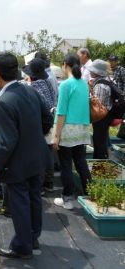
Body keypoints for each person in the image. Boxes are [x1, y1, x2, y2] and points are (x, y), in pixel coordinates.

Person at [0, 53, 53, 259]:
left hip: (18, 162)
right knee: (34, 198)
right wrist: (32, 137)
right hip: (38, 156)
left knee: (20, 203)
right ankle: (32, 238)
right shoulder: (29, 90)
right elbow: (47, 118)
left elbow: (7, 142)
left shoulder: (5, 100)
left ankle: (22, 246)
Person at [53, 53, 92, 210]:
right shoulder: (84, 83)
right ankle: (90, 194)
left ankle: (67, 199)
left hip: (68, 130)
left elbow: (61, 112)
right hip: (83, 129)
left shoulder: (65, 85)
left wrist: (56, 136)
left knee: (66, 165)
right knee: (81, 163)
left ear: (64, 65)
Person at [22, 58, 56, 193]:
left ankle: (40, 187)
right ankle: (49, 183)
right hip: (49, 122)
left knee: (39, 157)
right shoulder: (47, 83)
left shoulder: (33, 88)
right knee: (48, 155)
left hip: (40, 125)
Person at [88, 59, 112, 159]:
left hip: (101, 117)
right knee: (101, 139)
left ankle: (99, 164)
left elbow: (97, 105)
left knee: (99, 142)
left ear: (97, 72)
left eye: (92, 70)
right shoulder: (106, 80)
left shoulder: (100, 85)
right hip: (105, 116)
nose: (90, 71)